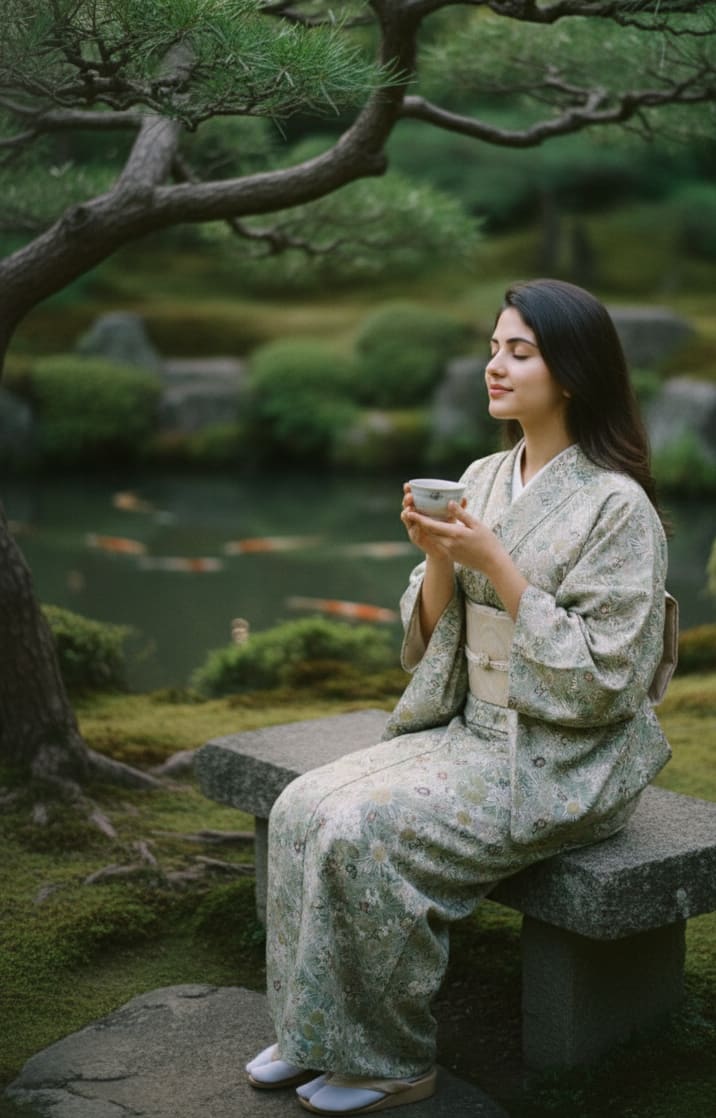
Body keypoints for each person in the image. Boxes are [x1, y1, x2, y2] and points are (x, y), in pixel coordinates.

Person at [245, 278, 675, 1115]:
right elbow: (426, 637)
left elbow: (607, 679)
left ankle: (391, 1061)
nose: (495, 366)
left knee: (362, 826)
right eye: (492, 347)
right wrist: (439, 557)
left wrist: (497, 565)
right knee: (303, 804)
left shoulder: (618, 508)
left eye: (520, 351)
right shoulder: (482, 474)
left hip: (565, 752)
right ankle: (315, 1031)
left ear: (573, 372)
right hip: (473, 724)